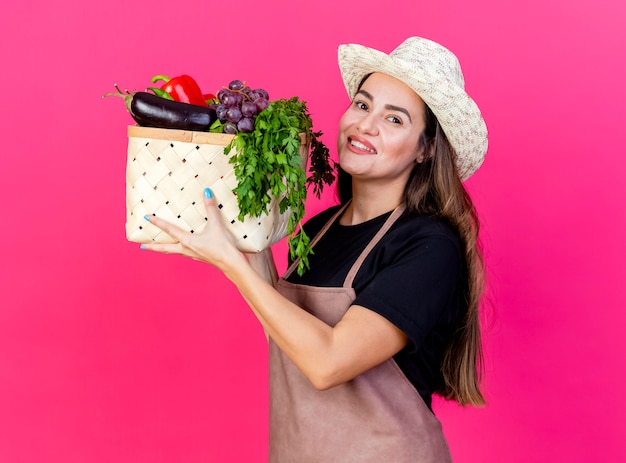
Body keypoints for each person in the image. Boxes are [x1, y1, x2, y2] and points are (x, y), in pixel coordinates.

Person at [142, 36, 489, 462]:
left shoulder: (429, 245)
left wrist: (232, 264)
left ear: (425, 149)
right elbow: (287, 339)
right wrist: (246, 235)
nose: (366, 124)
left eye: (395, 120)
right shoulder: (319, 230)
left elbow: (328, 363)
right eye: (363, 105)